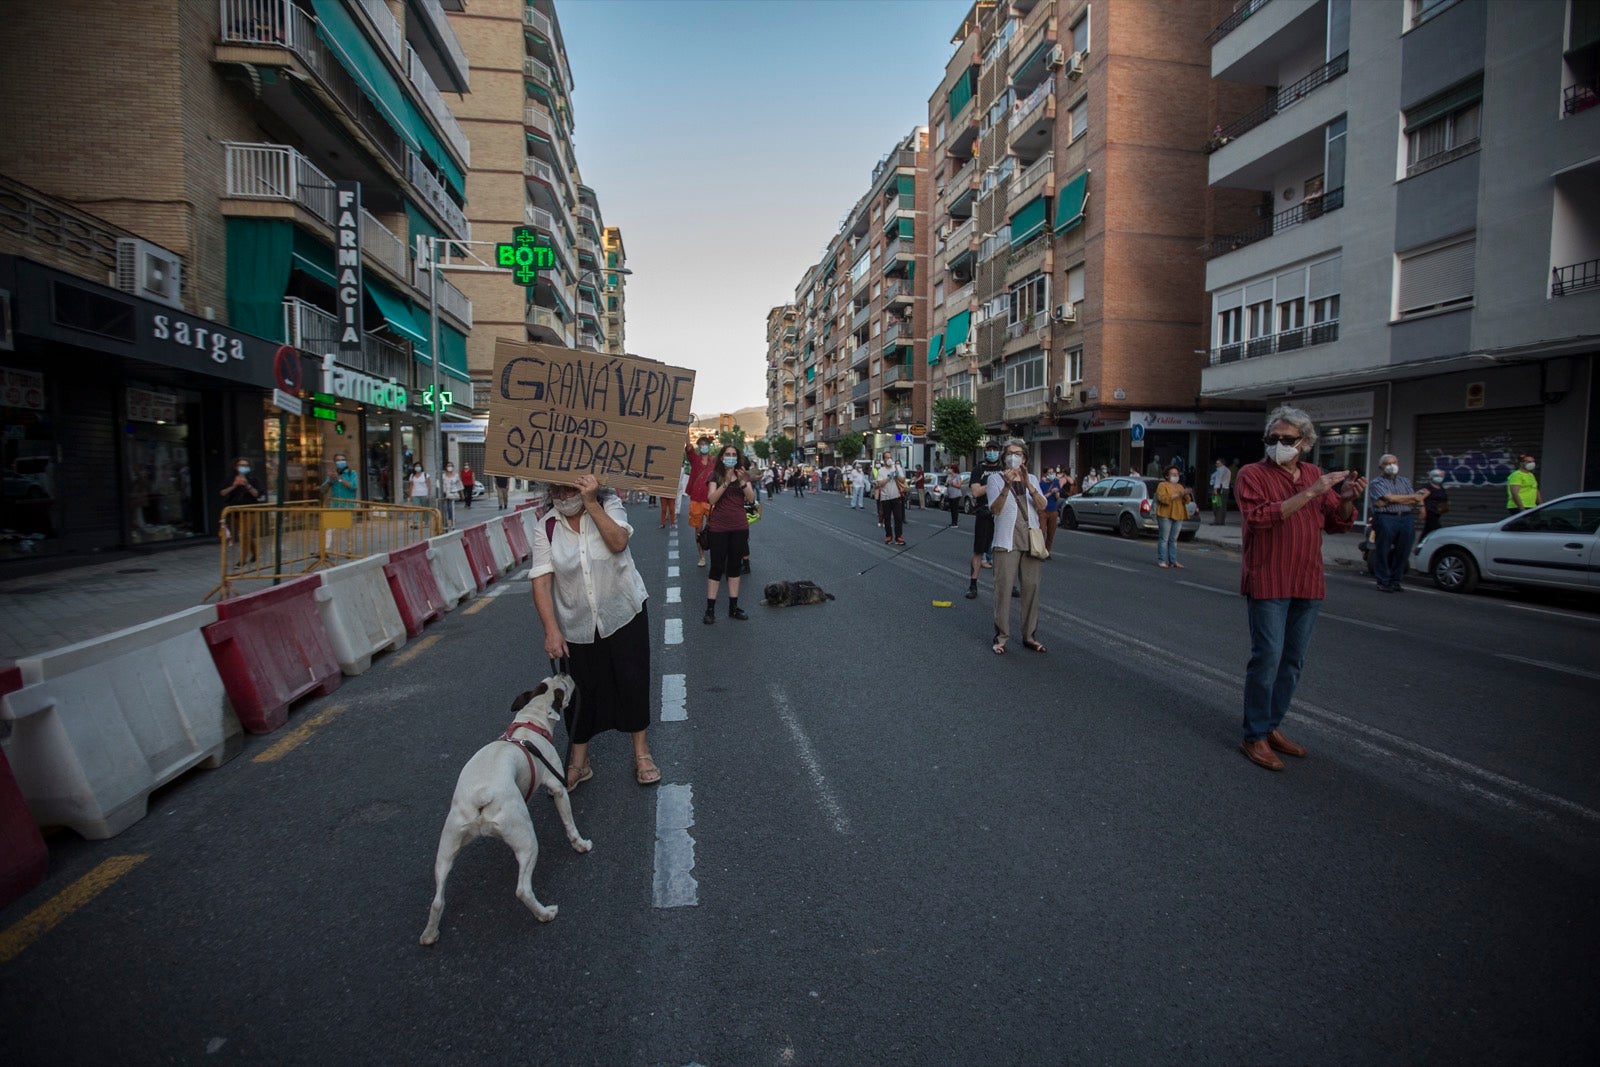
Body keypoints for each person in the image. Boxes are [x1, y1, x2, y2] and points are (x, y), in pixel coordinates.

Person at [1233, 405, 1363, 772]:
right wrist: (1312, 492)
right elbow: (1259, 519)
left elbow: (1337, 523)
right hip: (1269, 579)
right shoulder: (1252, 474)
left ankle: (1271, 726)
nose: (1278, 445)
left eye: (1286, 440)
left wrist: (1348, 497)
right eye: (1271, 439)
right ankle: (1253, 735)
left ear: (1305, 442)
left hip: (1307, 579)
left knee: (1292, 662)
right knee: (1268, 658)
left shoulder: (1313, 473)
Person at [530, 476, 659, 789]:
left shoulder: (609, 505)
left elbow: (618, 542)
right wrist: (551, 630)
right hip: (577, 624)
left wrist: (590, 503)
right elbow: (542, 580)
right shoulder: (545, 526)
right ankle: (579, 762)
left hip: (623, 613)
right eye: (556, 489)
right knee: (579, 693)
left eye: (569, 487)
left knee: (632, 682)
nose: (563, 494)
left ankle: (642, 754)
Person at [988, 439, 1048, 655]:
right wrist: (1007, 485)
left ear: (1025, 459)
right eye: (1010, 453)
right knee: (1003, 590)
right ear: (1005, 457)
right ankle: (1001, 636)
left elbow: (1042, 506)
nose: (1014, 457)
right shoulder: (995, 479)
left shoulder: (1031, 478)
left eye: (1018, 454)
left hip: (1030, 540)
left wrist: (1029, 485)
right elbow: (995, 509)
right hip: (1006, 541)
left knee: (1031, 588)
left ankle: (1029, 635)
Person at [703, 444, 755, 624]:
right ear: (722, 457)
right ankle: (710, 610)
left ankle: (733, 608)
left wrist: (741, 481)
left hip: (739, 527)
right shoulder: (714, 476)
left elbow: (751, 498)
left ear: (737, 457)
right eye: (728, 454)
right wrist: (725, 481)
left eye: (734, 454)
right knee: (716, 568)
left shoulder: (743, 475)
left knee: (734, 567)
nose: (731, 457)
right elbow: (711, 499)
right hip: (719, 528)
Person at [1367, 453, 1427, 593]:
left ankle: (1396, 580)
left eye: (1394, 462)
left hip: (1405, 517)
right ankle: (1383, 581)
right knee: (1383, 550)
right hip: (1386, 518)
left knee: (1404, 551)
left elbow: (1414, 500)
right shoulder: (1377, 482)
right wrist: (1408, 497)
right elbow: (1387, 498)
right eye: (1387, 463)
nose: (1391, 466)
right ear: (1381, 466)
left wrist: (1393, 499)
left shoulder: (1405, 481)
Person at [964, 445, 1003, 599]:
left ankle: (1007, 584)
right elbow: (975, 491)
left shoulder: (1003, 468)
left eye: (995, 450)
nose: (992, 453)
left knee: (1003, 550)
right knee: (979, 550)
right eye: (989, 450)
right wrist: (994, 483)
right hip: (984, 512)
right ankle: (973, 584)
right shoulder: (978, 469)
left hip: (1001, 514)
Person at [220, 456, 265, 564]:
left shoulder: (254, 479)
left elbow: (257, 494)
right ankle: (255, 553)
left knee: (244, 534)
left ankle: (242, 559)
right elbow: (222, 492)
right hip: (235, 510)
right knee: (244, 533)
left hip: (249, 510)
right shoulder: (231, 479)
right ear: (236, 466)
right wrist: (234, 486)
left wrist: (247, 485)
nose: (243, 467)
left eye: (245, 465)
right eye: (241, 465)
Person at [684, 434, 717, 567]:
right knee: (698, 530)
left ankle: (715, 553)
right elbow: (688, 447)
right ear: (699, 446)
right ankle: (701, 556)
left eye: (706, 444)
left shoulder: (714, 462)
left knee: (714, 529)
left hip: (710, 501)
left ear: (709, 446)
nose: (704, 446)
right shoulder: (695, 459)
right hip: (696, 500)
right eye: (701, 444)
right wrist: (687, 427)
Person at [1154, 465, 1193, 569]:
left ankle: (1173, 561)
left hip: (1178, 514)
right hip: (1165, 514)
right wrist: (1178, 494)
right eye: (1173, 474)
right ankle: (1162, 560)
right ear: (1167, 476)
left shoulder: (1180, 486)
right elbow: (1162, 499)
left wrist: (1185, 494)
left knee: (1174, 539)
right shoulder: (1162, 485)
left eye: (1177, 474)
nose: (1176, 476)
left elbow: (1187, 500)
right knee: (1164, 538)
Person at [876, 452, 906, 545]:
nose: (889, 459)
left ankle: (899, 537)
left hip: (896, 496)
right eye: (887, 458)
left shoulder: (897, 468)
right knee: (887, 518)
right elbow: (879, 484)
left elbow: (903, 480)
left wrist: (897, 475)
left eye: (890, 457)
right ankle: (888, 536)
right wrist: (888, 478)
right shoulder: (881, 471)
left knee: (898, 517)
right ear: (884, 460)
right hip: (885, 498)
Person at [1420, 468, 1450, 537]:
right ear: (1432, 476)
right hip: (1430, 512)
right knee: (1435, 529)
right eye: (1437, 476)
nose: (1439, 478)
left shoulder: (1441, 487)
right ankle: (1422, 544)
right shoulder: (1427, 487)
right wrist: (1422, 509)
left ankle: (1421, 545)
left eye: (1441, 476)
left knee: (1428, 531)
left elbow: (1443, 498)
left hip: (1438, 513)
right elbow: (1420, 498)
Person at [1040, 467, 1062, 555]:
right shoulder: (1041, 484)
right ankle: (1040, 551)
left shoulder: (1056, 483)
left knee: (1051, 532)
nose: (1051, 474)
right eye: (1049, 473)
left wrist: (1056, 492)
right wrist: (1051, 492)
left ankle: (1047, 552)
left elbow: (1057, 498)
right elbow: (1041, 498)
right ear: (1045, 474)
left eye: (1052, 472)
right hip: (1043, 510)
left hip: (1053, 510)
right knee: (1042, 531)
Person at [439, 461, 462, 529]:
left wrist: (461, 494)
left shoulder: (456, 475)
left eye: (451, 466)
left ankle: (450, 520)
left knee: (450, 507)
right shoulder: (443, 476)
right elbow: (439, 484)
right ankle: (447, 519)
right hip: (445, 493)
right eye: (448, 466)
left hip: (453, 494)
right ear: (446, 467)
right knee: (445, 508)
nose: (450, 467)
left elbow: (459, 484)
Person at [1209, 458, 1232, 526]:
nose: (1216, 465)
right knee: (1223, 506)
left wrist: (1215, 490)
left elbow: (1218, 480)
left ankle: (1217, 521)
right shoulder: (1228, 470)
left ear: (1222, 463)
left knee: (1216, 505)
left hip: (1219, 489)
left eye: (1218, 463)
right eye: (1216, 463)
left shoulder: (1220, 470)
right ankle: (1222, 521)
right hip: (1226, 489)